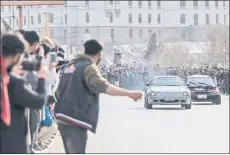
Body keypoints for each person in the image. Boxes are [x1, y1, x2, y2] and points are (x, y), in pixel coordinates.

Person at [54, 39, 143, 153]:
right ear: (99, 54)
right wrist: (130, 94)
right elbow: (103, 86)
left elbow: (58, 92)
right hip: (75, 117)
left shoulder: (70, 66)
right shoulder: (88, 67)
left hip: (61, 115)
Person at [0, 33, 48, 153]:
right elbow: (39, 101)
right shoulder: (12, 82)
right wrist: (42, 79)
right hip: (11, 144)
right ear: (15, 56)